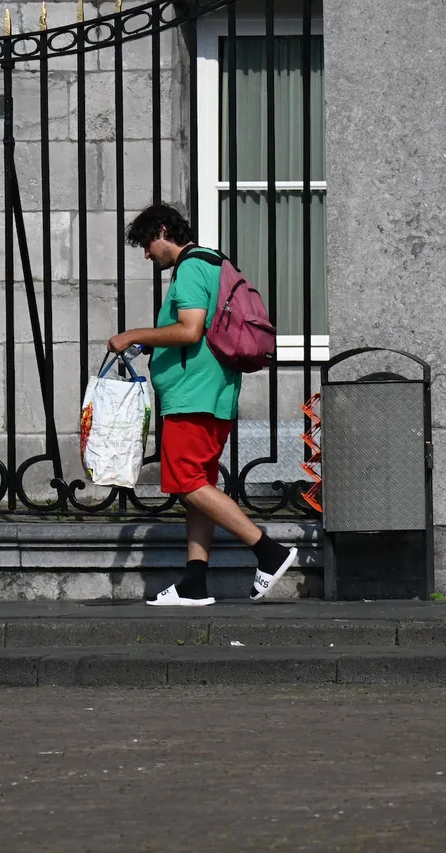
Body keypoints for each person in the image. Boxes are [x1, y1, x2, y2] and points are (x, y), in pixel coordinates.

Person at [108, 203, 297, 606]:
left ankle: (268, 551)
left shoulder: (191, 267)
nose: (146, 254)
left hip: (192, 394)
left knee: (187, 483)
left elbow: (190, 330)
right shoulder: (213, 263)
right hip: (214, 392)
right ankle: (195, 582)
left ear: (163, 231)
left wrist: (131, 335)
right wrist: (153, 340)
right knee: (199, 485)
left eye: (146, 244)